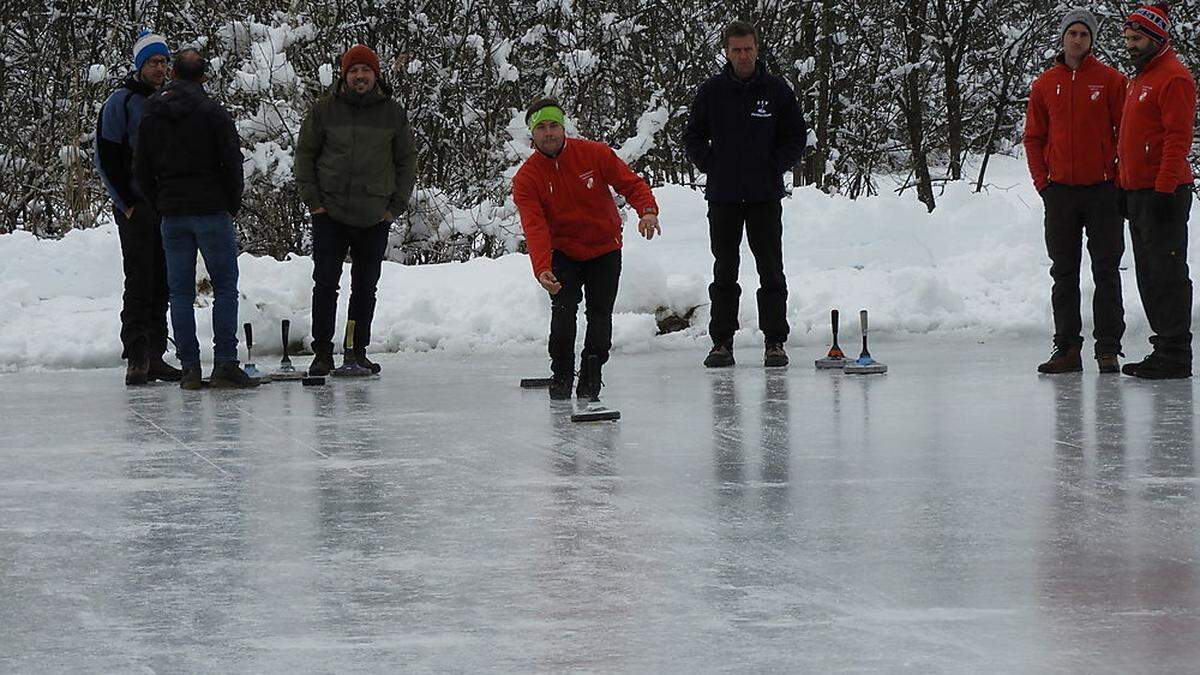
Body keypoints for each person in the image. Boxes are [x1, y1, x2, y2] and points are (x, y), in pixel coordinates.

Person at [512, 98, 661, 400]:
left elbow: (630, 183)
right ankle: (562, 374)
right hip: (563, 252)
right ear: (532, 135)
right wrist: (542, 267)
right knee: (563, 312)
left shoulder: (594, 154)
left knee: (600, 313)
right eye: (542, 127)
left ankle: (592, 374)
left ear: (563, 127)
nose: (549, 132)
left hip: (605, 248)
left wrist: (647, 210)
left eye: (554, 125)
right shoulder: (527, 178)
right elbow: (535, 226)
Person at [683, 20, 807, 368]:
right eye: (736, 49)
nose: (742, 55)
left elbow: (796, 135)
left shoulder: (776, 90)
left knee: (771, 269)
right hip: (723, 197)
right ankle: (722, 342)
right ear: (726, 51)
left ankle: (775, 341)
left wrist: (774, 166)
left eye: (748, 48)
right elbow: (692, 136)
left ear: (757, 49)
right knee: (725, 270)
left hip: (764, 196)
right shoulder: (711, 91)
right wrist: (712, 165)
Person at [294, 44, 417, 376]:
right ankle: (322, 353)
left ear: (375, 75)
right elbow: (304, 157)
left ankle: (354, 350)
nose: (359, 76)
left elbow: (407, 161)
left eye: (365, 70)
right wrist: (315, 203)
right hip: (329, 213)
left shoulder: (392, 113)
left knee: (364, 287)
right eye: (353, 71)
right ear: (344, 75)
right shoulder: (323, 111)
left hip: (374, 215)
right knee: (325, 284)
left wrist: (394, 206)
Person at [135, 48, 254, 389]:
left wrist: (159, 203)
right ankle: (225, 362)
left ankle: (189, 367)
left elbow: (141, 167)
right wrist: (231, 202)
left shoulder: (152, 112)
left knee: (180, 293)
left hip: (173, 212)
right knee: (225, 288)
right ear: (203, 76)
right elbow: (231, 161)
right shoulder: (212, 112)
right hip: (211, 209)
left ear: (172, 73)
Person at [1023, 9, 1127, 374]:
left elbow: (1125, 135)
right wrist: (1043, 183)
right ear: (1063, 37)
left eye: (1085, 33)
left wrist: (1118, 179)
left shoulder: (1112, 81)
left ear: (1092, 39)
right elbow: (1033, 137)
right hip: (1061, 193)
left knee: (1106, 271)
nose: (1078, 39)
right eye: (1073, 33)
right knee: (1063, 273)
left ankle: (1108, 349)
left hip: (1103, 192)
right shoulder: (1044, 84)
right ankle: (1067, 348)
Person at [93, 30, 181, 385]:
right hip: (136, 207)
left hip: (169, 206)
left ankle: (157, 353)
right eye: (153, 62)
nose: (160, 68)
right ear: (140, 66)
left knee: (164, 281)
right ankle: (136, 355)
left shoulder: (171, 100)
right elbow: (105, 157)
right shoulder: (121, 102)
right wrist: (126, 203)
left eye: (163, 62)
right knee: (139, 279)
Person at [1118, 3, 1196, 379]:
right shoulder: (1140, 78)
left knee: (1166, 271)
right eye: (1128, 38)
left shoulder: (1173, 77)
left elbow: (1177, 139)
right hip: (1138, 191)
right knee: (1148, 272)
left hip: (1163, 191)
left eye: (1137, 38)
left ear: (1156, 37)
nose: (1130, 45)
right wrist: (1124, 183)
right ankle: (1164, 345)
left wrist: (1164, 188)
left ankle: (1176, 353)